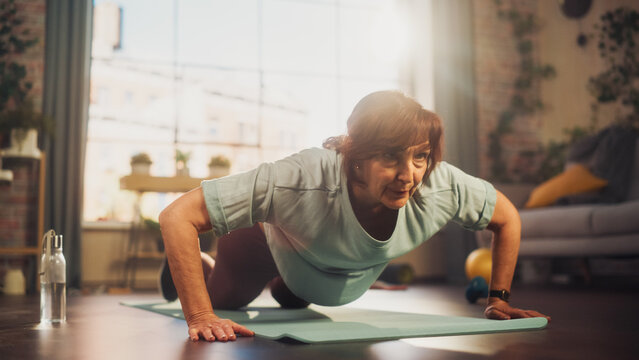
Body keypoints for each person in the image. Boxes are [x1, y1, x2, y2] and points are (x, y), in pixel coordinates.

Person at [158, 90, 551, 343]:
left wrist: (498, 300)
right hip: (261, 244)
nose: (408, 174)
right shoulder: (299, 179)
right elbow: (177, 216)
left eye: (419, 156)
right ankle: (207, 267)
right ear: (355, 156)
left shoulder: (439, 185)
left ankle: (285, 286)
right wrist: (199, 313)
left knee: (293, 300)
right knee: (226, 300)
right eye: (390, 157)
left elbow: (507, 218)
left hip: (315, 270)